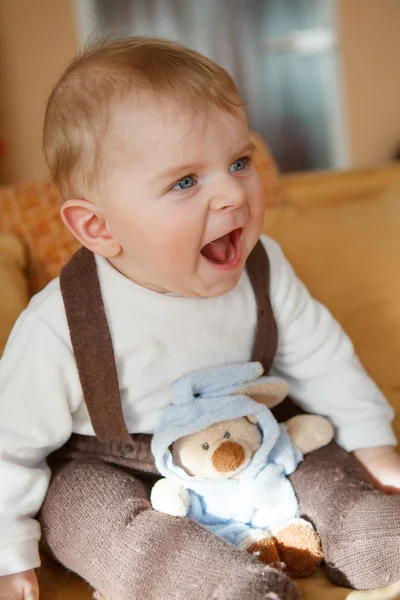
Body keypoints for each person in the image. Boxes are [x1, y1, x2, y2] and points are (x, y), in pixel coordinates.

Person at [0, 37, 399, 600]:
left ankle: (373, 536)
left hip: (256, 436)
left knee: (325, 459)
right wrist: (6, 552)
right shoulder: (61, 323)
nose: (232, 193)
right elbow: (8, 443)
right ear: (98, 228)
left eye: (239, 162)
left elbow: (324, 358)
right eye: (186, 181)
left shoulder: (265, 268)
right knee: (80, 509)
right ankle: (213, 584)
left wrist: (374, 446)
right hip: (121, 466)